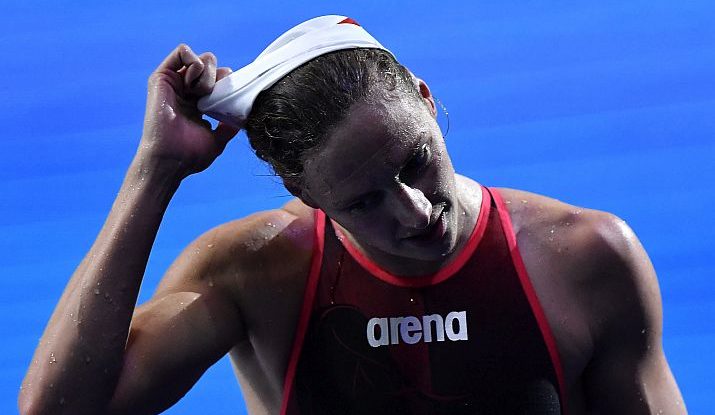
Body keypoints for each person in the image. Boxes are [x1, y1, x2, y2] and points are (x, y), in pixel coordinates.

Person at [19, 15, 685, 415]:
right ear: (304, 192)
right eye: (364, 201)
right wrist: (154, 173)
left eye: (416, 161)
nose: (415, 211)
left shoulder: (583, 257)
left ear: (425, 98)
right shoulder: (255, 274)